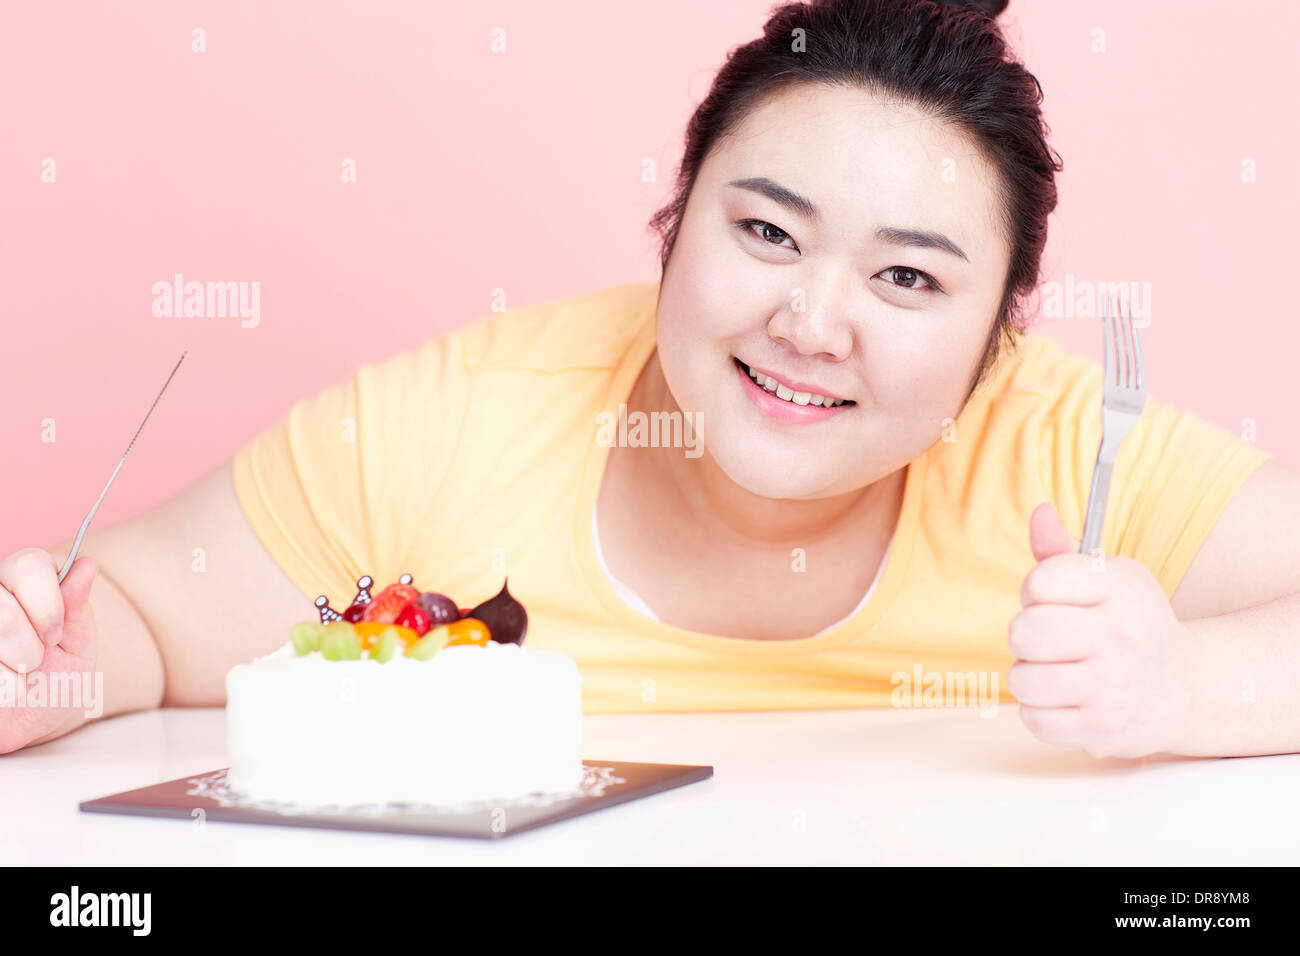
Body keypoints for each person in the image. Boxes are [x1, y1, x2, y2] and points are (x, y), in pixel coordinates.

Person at [3, 0, 1296, 760]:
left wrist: (1179, 688)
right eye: (768, 232)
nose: (812, 324)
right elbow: (140, 620)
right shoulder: (460, 420)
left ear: (999, 337)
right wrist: (43, 667)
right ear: (673, 227)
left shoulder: (1068, 446)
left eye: (907, 277)